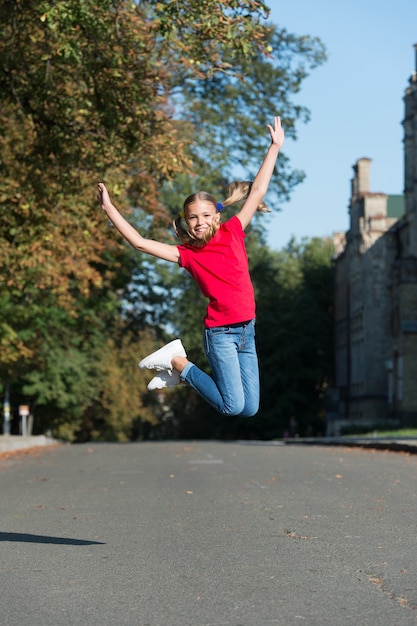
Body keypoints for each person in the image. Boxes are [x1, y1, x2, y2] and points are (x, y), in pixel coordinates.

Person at [97, 116, 285, 417]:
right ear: (186, 221)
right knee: (231, 405)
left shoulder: (234, 230)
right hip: (221, 334)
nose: (200, 222)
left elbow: (258, 190)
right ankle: (177, 361)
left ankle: (180, 371)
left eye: (206, 216)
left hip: (248, 330)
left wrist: (274, 146)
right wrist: (109, 207)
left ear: (217, 217)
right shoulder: (187, 254)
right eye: (193, 217)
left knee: (249, 409)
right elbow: (140, 242)